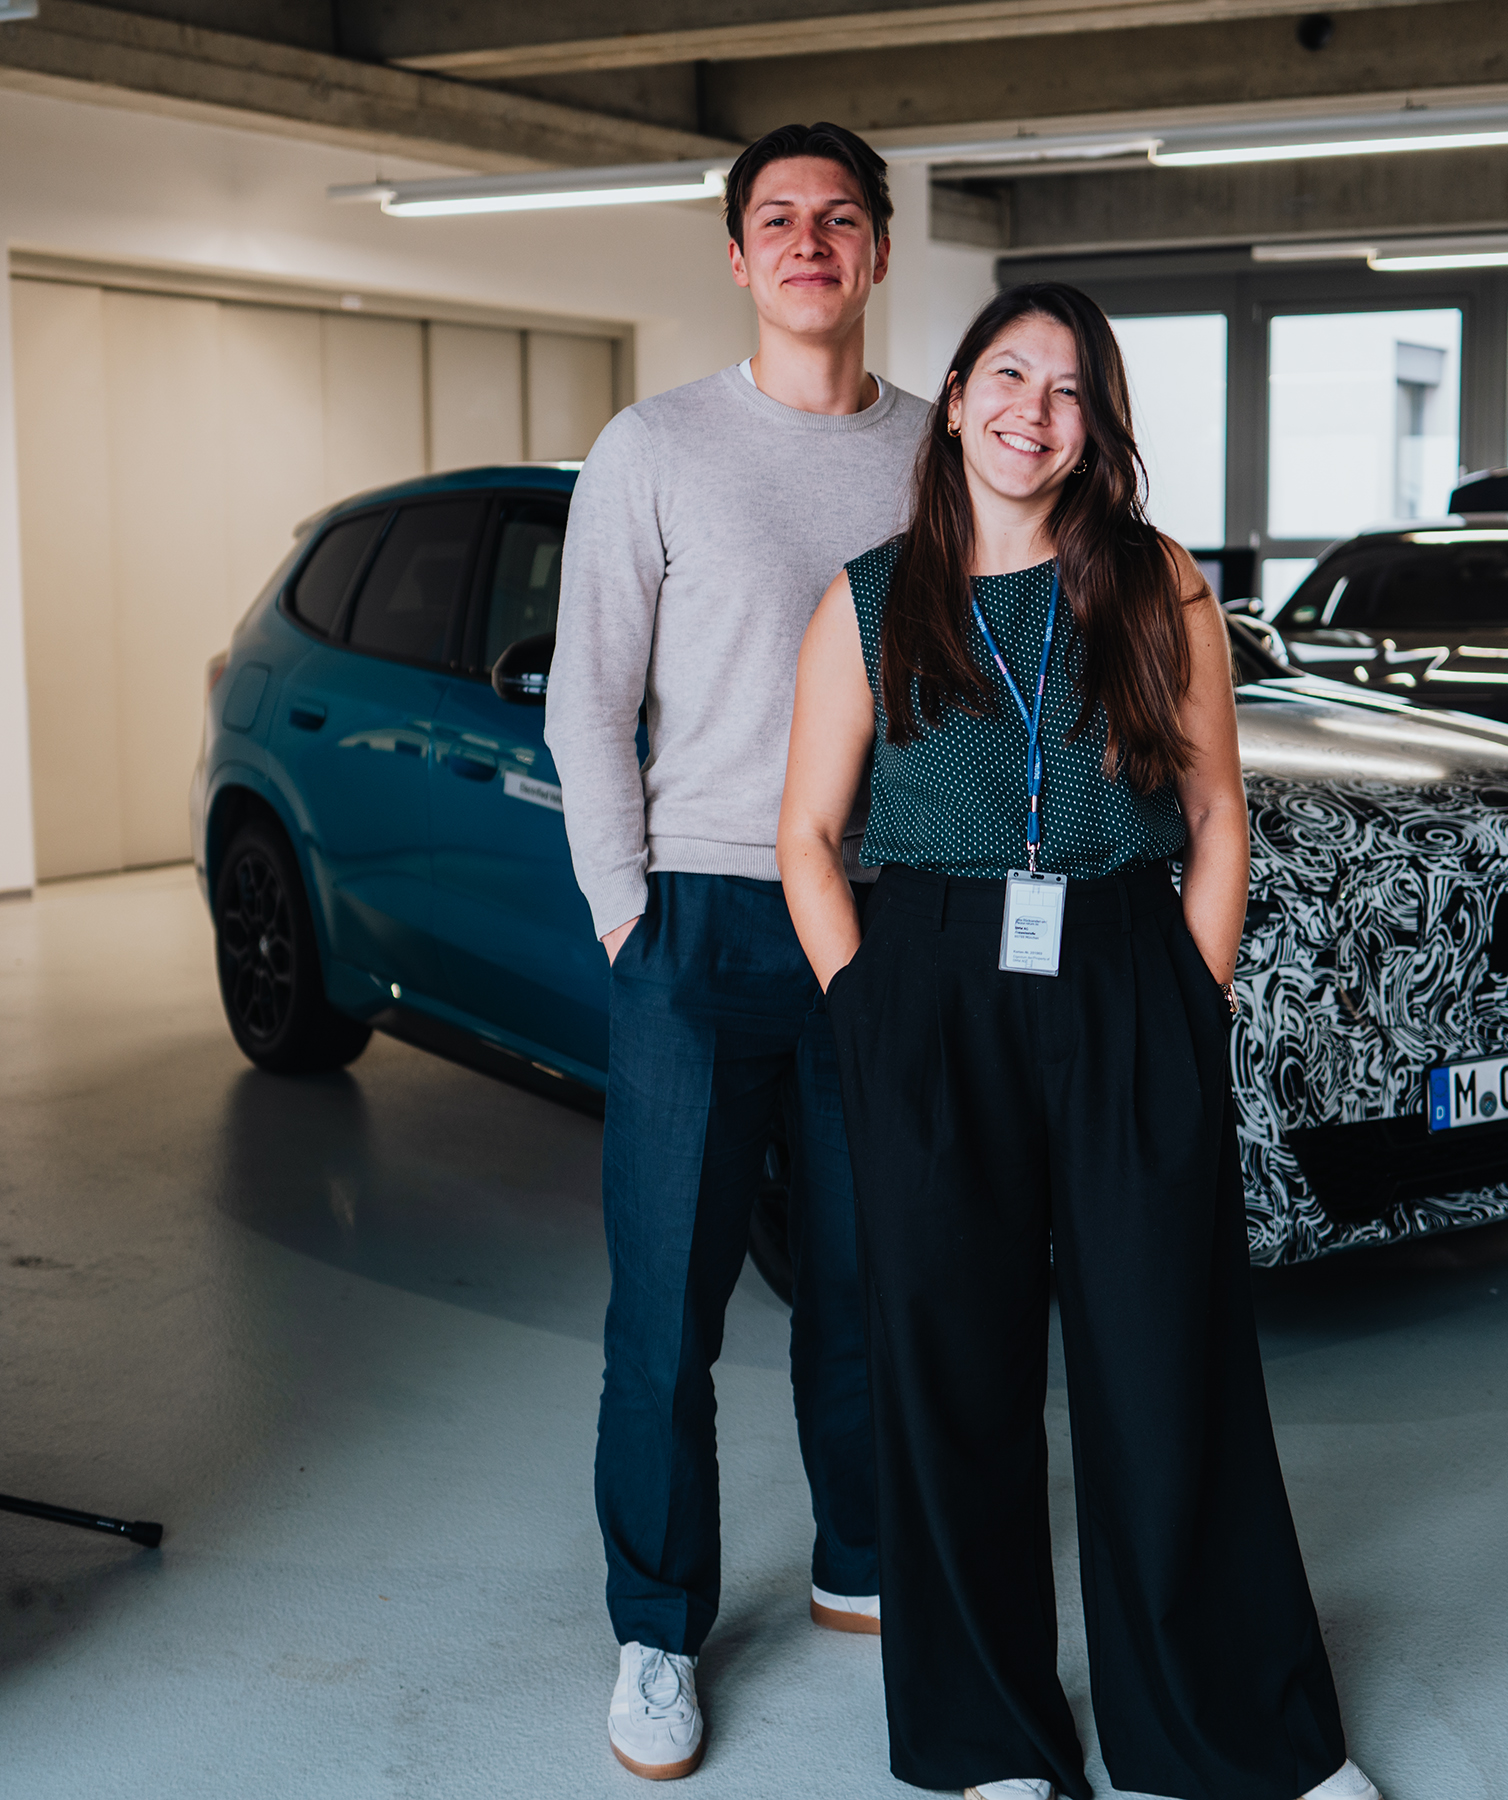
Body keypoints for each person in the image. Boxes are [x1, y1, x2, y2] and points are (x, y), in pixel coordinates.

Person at [776, 282, 1378, 1800]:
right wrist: (867, 1014)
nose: (1031, 411)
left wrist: (1190, 998)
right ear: (957, 396)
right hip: (932, 993)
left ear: (1096, 429)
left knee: (1169, 1362)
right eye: (1007, 375)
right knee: (952, 1374)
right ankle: (987, 1739)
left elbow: (1219, 814)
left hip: (1123, 975)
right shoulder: (869, 601)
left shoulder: (1157, 584)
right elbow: (807, 837)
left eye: (1067, 391)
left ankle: (1223, 1734)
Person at [544, 121, 930, 1781]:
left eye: (839, 217)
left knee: (868, 1280)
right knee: (668, 1315)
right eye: (778, 218)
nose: (809, 241)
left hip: (883, 916)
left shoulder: (938, 451)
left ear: (880, 250)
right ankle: (656, 1629)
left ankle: (862, 1554)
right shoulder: (655, 447)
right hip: (697, 919)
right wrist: (626, 913)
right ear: (737, 256)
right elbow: (586, 701)